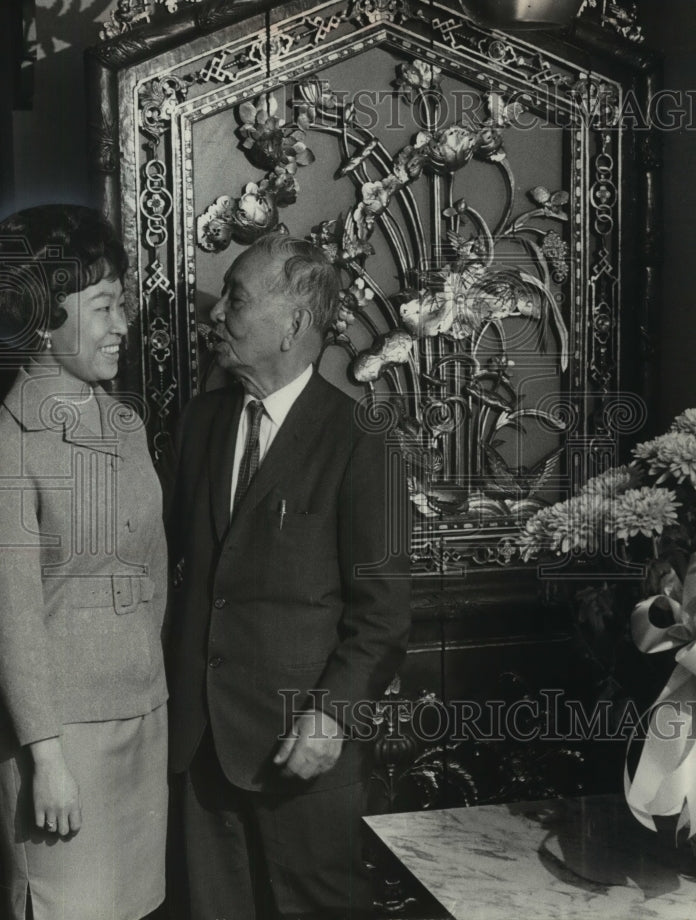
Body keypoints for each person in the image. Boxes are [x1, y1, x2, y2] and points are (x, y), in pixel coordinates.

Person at [168, 234, 411, 919]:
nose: (216, 315)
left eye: (236, 299)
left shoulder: (364, 441)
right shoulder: (198, 425)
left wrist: (331, 716)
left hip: (302, 752)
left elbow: (383, 616)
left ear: (295, 324)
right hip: (200, 747)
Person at [0, 206, 168, 920]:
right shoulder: (11, 446)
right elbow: (12, 620)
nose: (122, 325)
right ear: (42, 318)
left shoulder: (126, 425)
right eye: (103, 306)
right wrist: (46, 757)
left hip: (142, 726)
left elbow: (154, 572)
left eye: (123, 303)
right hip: (62, 752)